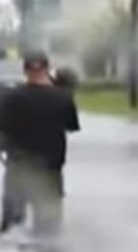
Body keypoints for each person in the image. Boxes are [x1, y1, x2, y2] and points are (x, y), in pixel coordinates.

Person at [0, 50, 81, 238]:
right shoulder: (62, 97)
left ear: (25, 70)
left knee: (11, 224)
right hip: (50, 169)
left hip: (18, 167)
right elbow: (71, 126)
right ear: (47, 69)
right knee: (49, 227)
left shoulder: (10, 98)